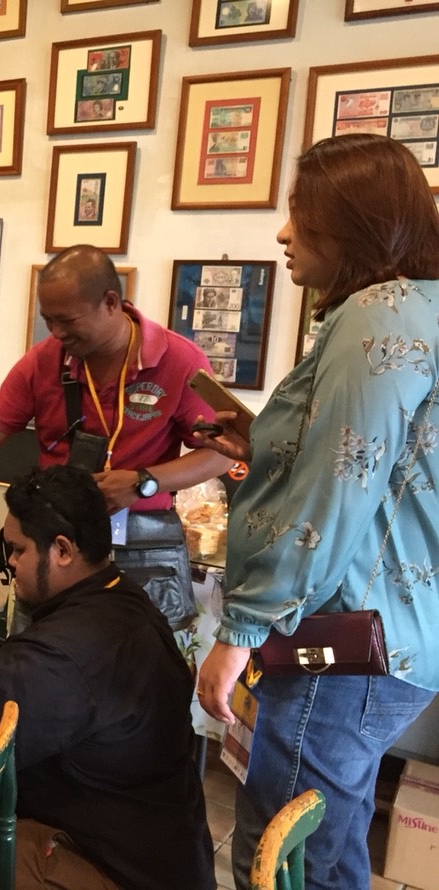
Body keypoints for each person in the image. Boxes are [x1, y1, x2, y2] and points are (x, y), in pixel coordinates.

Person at [194, 134, 439, 889]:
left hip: (348, 646)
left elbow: (332, 497)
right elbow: (387, 474)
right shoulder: (423, 307)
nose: (283, 234)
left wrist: (239, 631)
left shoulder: (376, 315)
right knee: (333, 844)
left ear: (357, 225)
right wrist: (262, 444)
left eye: (301, 214)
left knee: (279, 857)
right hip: (402, 638)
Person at [0, 466, 215, 889]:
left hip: (117, 870)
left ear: (62, 550)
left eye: (18, 550)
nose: (11, 563)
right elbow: (2, 669)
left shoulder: (67, 655)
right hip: (163, 851)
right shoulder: (118, 596)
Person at [0, 244, 233, 625]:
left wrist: (144, 482)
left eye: (67, 320)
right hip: (55, 544)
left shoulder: (179, 361)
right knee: (39, 654)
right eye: (48, 320)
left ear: (110, 302)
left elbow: (223, 453)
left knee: (135, 656)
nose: (55, 332)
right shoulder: (42, 361)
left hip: (141, 545)